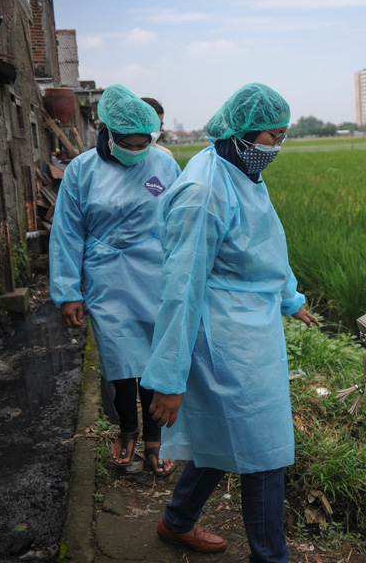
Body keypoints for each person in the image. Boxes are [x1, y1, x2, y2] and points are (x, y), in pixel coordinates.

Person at [141, 83, 319, 563]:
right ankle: (270, 557)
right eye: (271, 136)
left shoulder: (241, 170)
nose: (276, 148)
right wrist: (169, 379)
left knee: (223, 435)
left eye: (283, 137)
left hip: (250, 329)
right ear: (241, 132)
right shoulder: (203, 192)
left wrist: (289, 298)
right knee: (263, 453)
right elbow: (181, 290)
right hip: (222, 337)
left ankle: (176, 521)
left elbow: (264, 244)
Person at [50, 84, 181, 476]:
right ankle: (127, 430)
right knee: (119, 358)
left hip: (155, 276)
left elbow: (180, 226)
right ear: (108, 132)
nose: (138, 151)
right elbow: (67, 232)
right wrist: (67, 292)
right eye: (130, 143)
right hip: (106, 278)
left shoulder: (164, 165)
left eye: (145, 143)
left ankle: (156, 440)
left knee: (154, 358)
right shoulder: (81, 170)